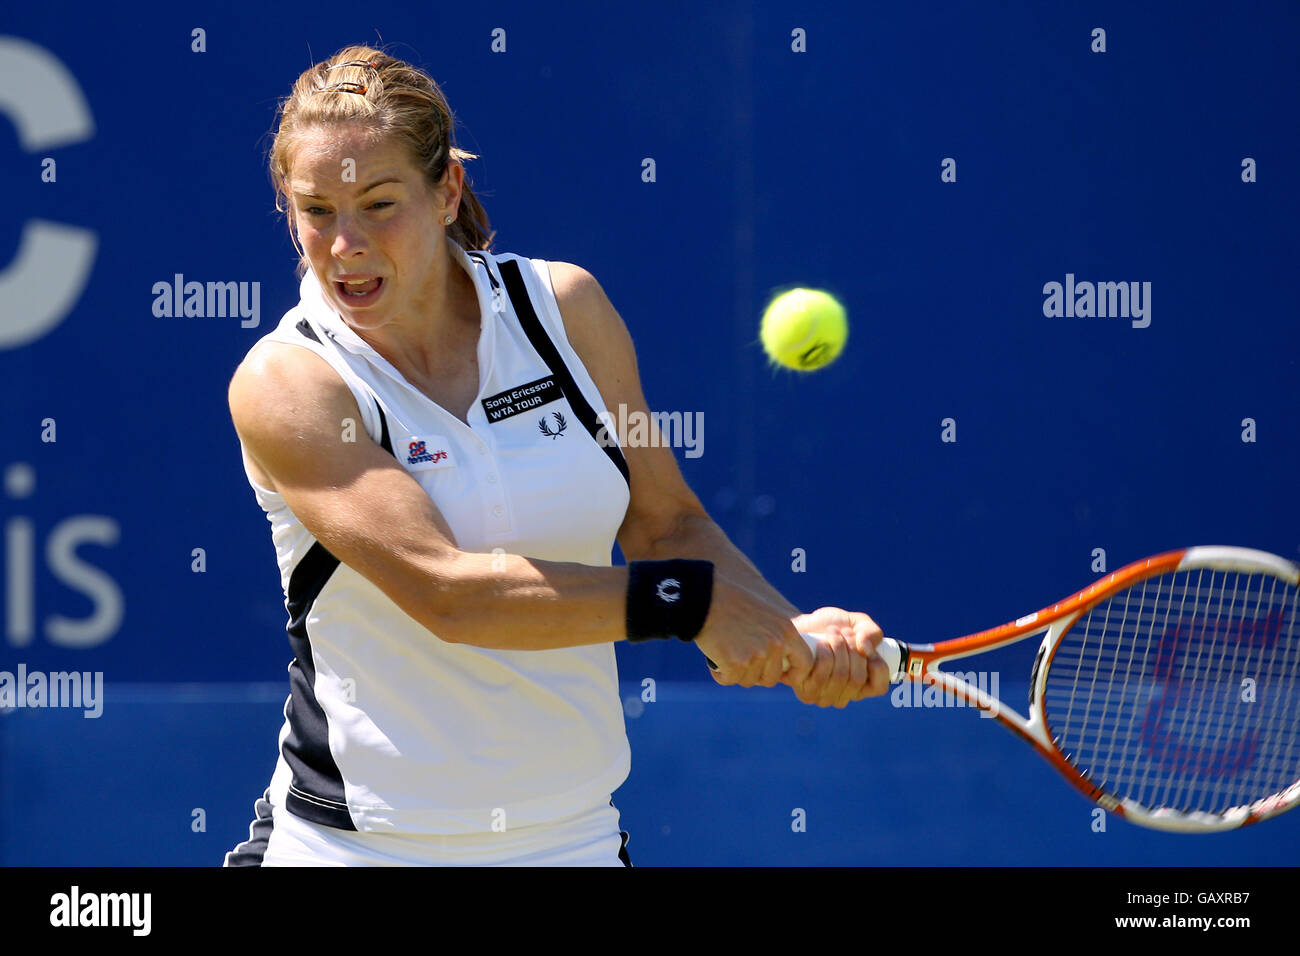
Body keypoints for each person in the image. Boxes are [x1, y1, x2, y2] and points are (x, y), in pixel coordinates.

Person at [223, 44, 890, 867]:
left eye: (378, 202)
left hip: (572, 839)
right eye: (316, 210)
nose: (345, 243)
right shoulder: (287, 383)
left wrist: (790, 631)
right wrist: (693, 607)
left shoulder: (566, 314)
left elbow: (665, 521)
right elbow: (449, 594)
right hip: (357, 850)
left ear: (446, 193)